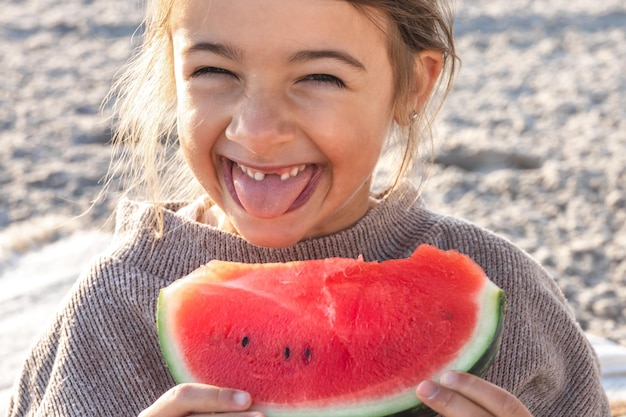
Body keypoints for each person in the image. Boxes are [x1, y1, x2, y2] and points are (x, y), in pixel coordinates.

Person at [7, 0, 611, 416]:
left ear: (414, 86)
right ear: (172, 71)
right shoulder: (115, 310)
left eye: (318, 78)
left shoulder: (505, 295)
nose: (258, 130)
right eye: (214, 70)